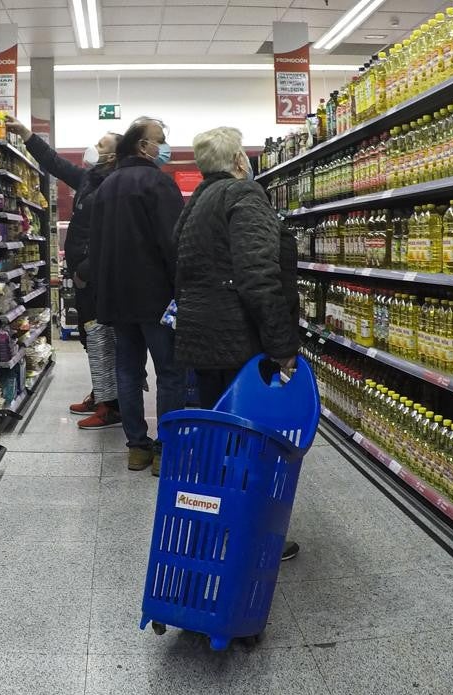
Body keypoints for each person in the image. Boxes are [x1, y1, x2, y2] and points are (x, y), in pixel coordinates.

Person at [172, 126, 301, 560]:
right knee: (250, 445)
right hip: (239, 344)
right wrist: (282, 346)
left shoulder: (196, 204)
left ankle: (218, 529)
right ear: (240, 161)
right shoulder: (244, 196)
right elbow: (258, 275)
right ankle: (251, 536)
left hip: (201, 339)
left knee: (218, 443)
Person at [5, 116, 122, 430]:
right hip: (84, 276)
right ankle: (102, 393)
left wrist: (84, 270)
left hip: (96, 276)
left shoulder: (113, 187)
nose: (93, 148)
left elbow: (108, 236)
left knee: (101, 339)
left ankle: (111, 406)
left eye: (101, 145)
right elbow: (53, 163)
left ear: (113, 156)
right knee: (90, 336)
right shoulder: (89, 179)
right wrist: (27, 135)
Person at [88, 117, 185, 474]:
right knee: (170, 372)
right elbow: (173, 243)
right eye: (160, 140)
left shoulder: (106, 186)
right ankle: (165, 449)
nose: (164, 146)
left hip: (116, 297)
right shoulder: (159, 184)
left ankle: (137, 448)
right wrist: (181, 290)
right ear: (143, 146)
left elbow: (94, 247)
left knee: (127, 370)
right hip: (156, 297)